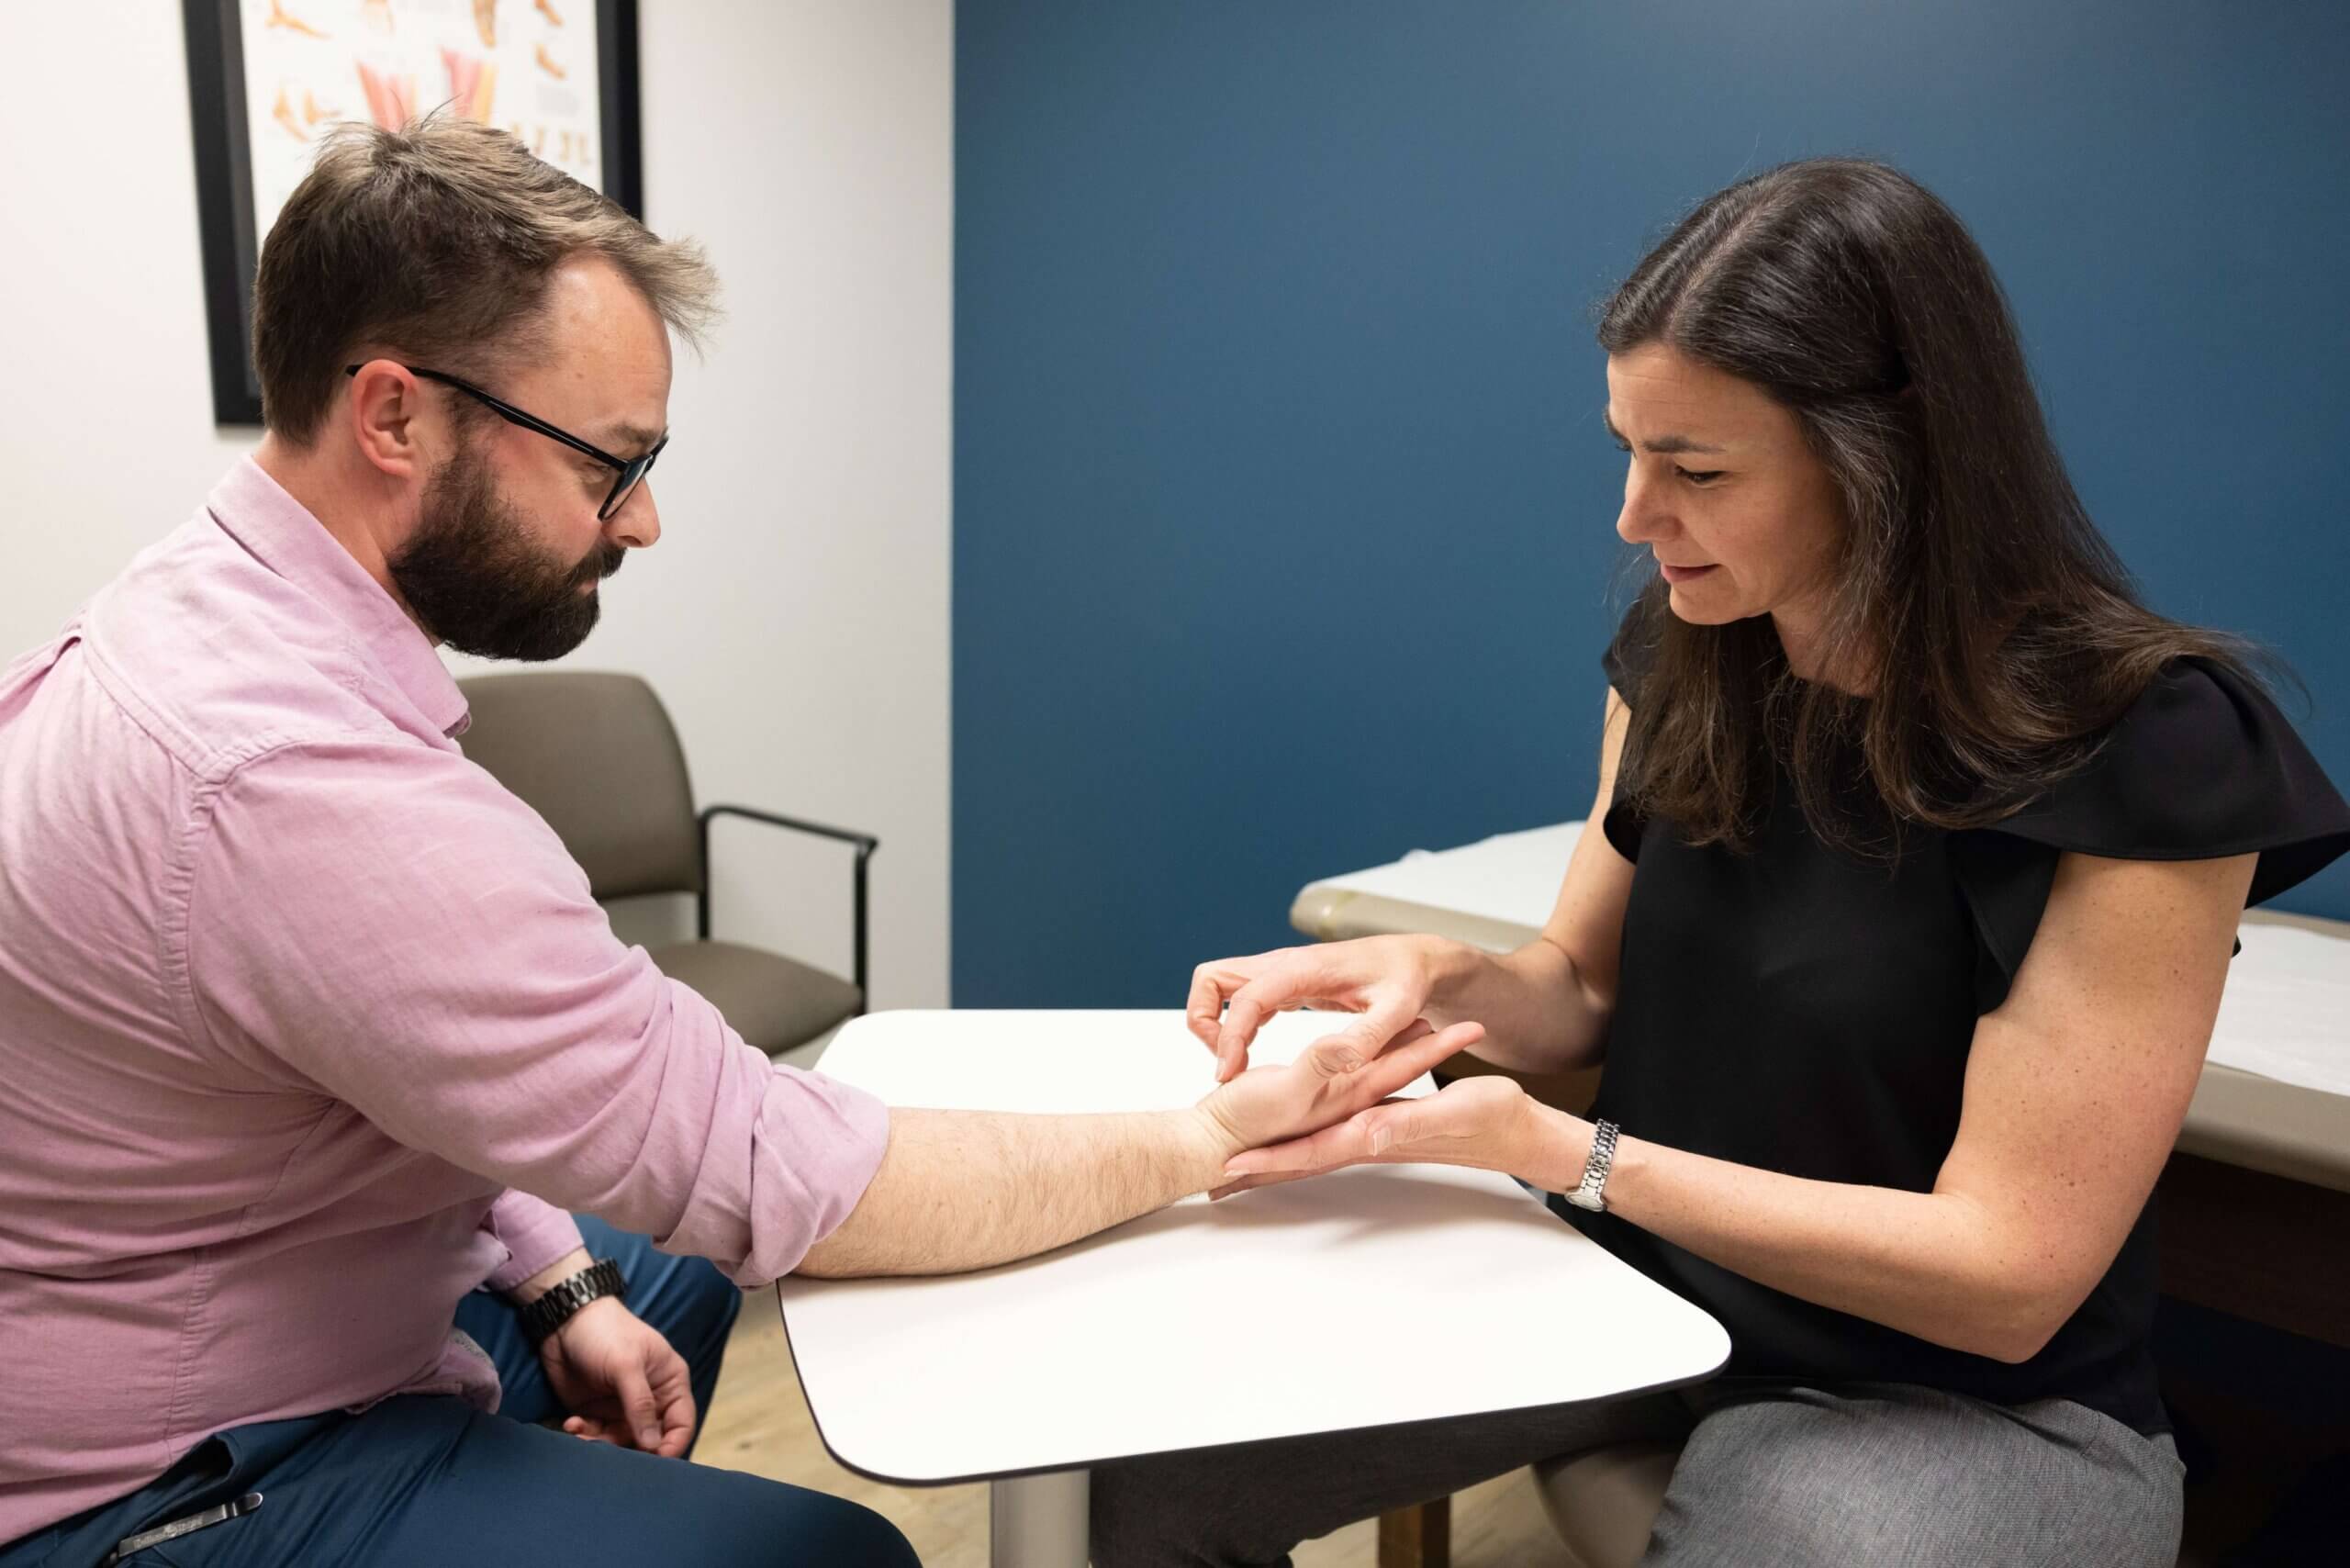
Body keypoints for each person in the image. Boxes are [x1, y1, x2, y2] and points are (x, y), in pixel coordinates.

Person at [0, 117, 1484, 1567]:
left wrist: (554, 1275)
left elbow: (381, 1059)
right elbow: (779, 1171)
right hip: (169, 1478)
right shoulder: (294, 778)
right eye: (608, 464)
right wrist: (1206, 1139)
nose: (640, 524)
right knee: (833, 1553)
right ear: (393, 415)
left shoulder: (204, 611)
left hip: (225, 1302)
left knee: (652, 1283)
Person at [1091, 158, 2350, 1567]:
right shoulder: (1692, 651)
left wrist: (1560, 1150)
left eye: (1695, 470)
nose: (1636, 515)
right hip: (1640, 1302)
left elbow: (2006, 1279)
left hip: (1961, 1399)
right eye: (1629, 450)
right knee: (1145, 1479)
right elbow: (1576, 986)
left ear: (1892, 464)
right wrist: (1439, 977)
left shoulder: (2152, 750)